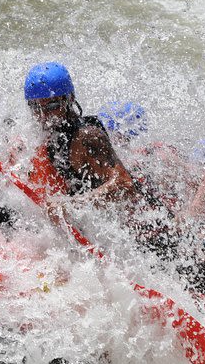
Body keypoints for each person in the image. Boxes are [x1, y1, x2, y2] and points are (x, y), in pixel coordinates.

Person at [20, 63, 172, 253]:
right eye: (35, 107)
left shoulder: (87, 136)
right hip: (113, 235)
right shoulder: (51, 137)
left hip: (150, 234)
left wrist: (69, 204)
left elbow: (125, 185)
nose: (44, 116)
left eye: (51, 106)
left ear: (70, 99)